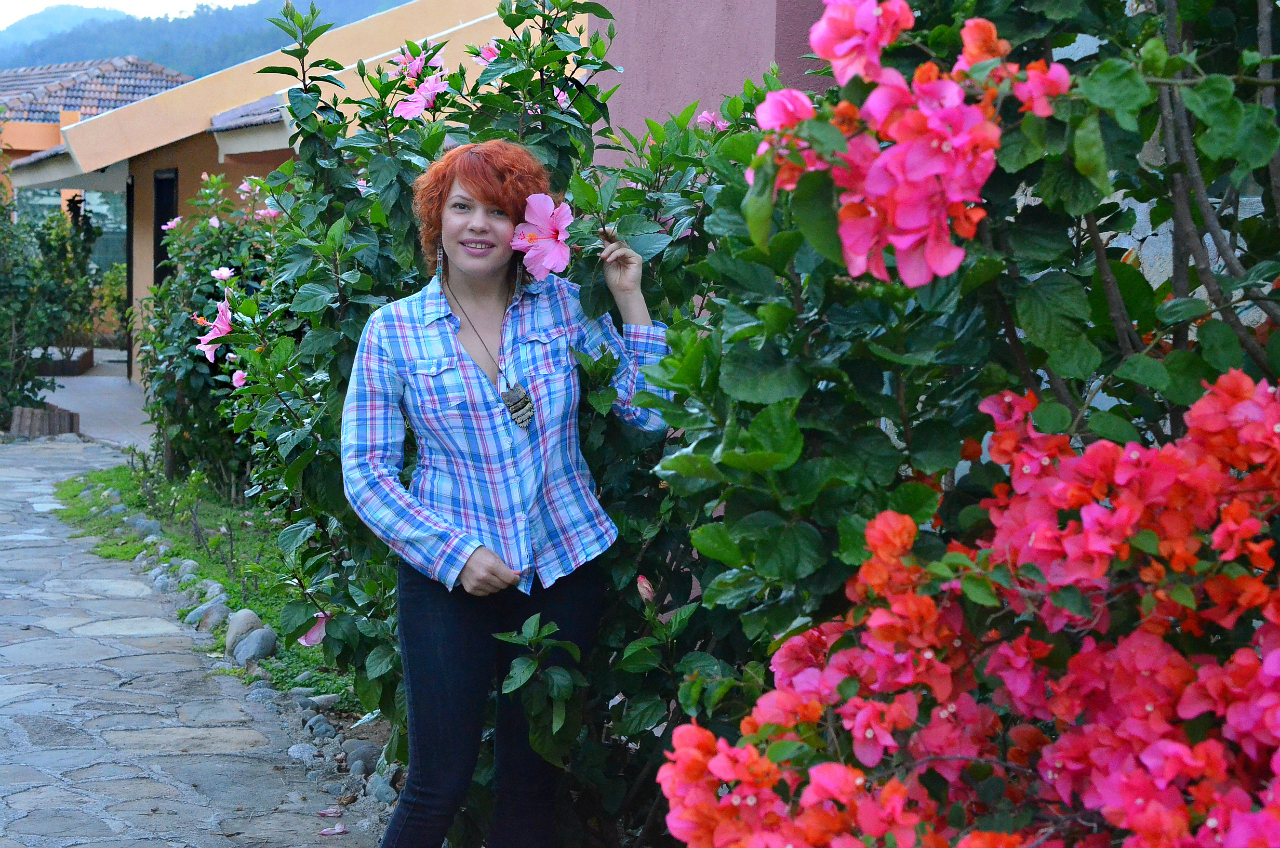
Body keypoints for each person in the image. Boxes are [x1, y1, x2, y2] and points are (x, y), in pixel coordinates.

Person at [339, 138, 669, 848]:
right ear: (437, 218)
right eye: (463, 207)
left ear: (524, 228)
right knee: (438, 783)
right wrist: (456, 555)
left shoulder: (563, 307)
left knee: (532, 784)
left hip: (563, 568)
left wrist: (629, 298)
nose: (478, 225)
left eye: (499, 211)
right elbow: (366, 472)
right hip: (446, 581)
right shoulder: (393, 331)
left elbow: (648, 418)